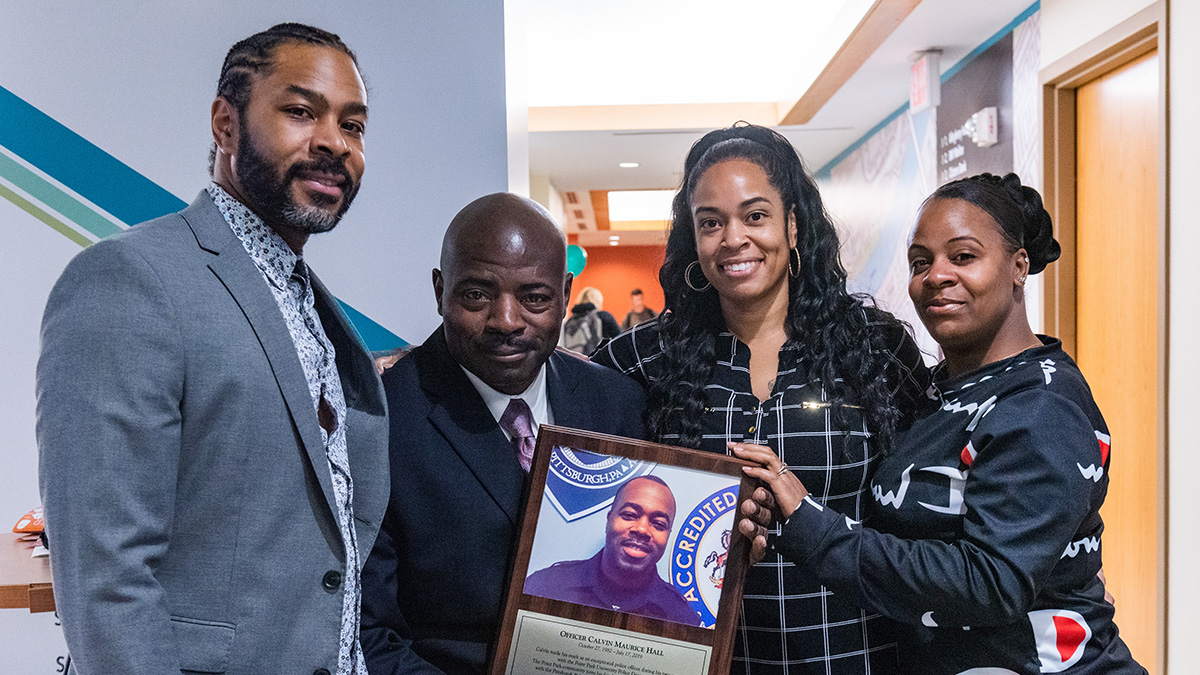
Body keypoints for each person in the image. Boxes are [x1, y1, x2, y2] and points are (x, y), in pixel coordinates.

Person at [36, 24, 386, 675]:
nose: (335, 142)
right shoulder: (129, 279)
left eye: (354, 125)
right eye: (301, 111)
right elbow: (105, 580)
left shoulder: (307, 301)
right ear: (226, 125)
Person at [735, 173, 1145, 674]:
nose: (936, 276)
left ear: (1019, 266)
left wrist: (811, 527)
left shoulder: (1040, 407)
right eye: (920, 262)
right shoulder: (934, 390)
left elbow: (990, 583)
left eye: (964, 256)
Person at [592, 123, 930, 674]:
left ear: (792, 226)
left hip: (857, 655)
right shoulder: (644, 359)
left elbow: (937, 492)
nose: (733, 239)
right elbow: (560, 428)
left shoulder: (873, 348)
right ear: (692, 240)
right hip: (700, 657)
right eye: (711, 223)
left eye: (755, 216)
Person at [359, 193, 648, 674]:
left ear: (565, 294)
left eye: (534, 297)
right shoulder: (381, 420)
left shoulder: (616, 404)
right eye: (477, 295)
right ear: (439, 291)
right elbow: (367, 633)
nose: (507, 321)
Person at [524, 475, 702, 626]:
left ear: (668, 535)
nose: (642, 530)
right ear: (609, 519)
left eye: (658, 524)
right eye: (630, 515)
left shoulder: (682, 618)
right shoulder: (544, 585)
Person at [561, 286, 620, 354]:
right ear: (598, 300)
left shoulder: (570, 321)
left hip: (575, 360)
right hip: (597, 361)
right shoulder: (604, 317)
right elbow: (619, 341)